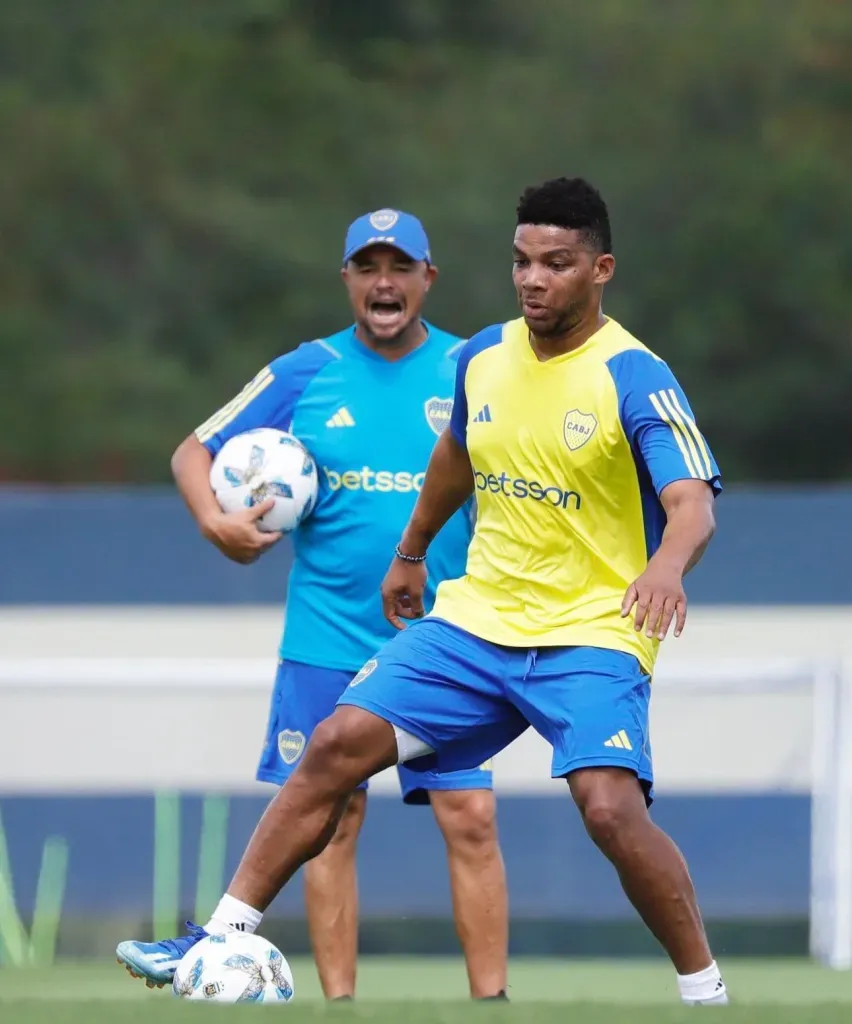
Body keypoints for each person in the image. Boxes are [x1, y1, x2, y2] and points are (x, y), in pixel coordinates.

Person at [119, 177, 728, 1006]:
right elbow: (455, 455)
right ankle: (221, 936)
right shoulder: (483, 357)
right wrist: (410, 551)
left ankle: (706, 993)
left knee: (609, 809)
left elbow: (691, 502)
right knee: (336, 745)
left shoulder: (634, 373)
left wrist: (666, 566)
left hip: (592, 628)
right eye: (521, 262)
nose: (533, 280)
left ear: (601, 269)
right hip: (476, 621)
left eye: (556, 263)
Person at [116, 209, 508, 1001]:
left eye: (401, 267)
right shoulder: (307, 370)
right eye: (368, 267)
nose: (385, 282)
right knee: (330, 821)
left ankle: (491, 1005)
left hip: (441, 636)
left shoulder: (473, 366)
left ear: (429, 279)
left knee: (469, 814)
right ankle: (339, 1006)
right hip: (326, 634)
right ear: (348, 281)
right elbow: (194, 450)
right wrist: (213, 520)